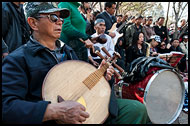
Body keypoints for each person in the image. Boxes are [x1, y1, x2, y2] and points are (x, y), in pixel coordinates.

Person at [2, 2, 150, 124]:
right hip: (51, 119)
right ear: (33, 23)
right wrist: (53, 111)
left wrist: (102, 77)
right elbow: (6, 106)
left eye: (61, 18)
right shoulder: (18, 59)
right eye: (53, 17)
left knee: (136, 109)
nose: (60, 21)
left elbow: (81, 86)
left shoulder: (69, 51)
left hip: (85, 108)